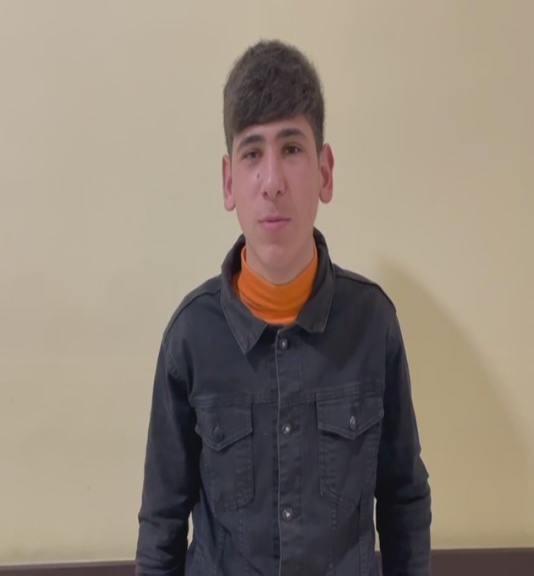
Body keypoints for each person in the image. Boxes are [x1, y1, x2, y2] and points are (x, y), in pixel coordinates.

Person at [135, 39, 432, 576]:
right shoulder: (190, 339)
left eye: (292, 149)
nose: (272, 182)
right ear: (229, 181)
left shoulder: (373, 325)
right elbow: (162, 524)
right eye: (252, 153)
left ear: (325, 172)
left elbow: (404, 498)